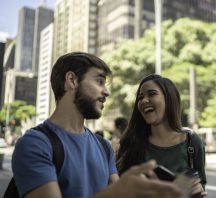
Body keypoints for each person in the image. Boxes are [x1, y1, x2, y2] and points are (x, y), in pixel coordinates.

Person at [11, 52, 186, 198]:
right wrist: (117, 191)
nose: (106, 92)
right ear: (72, 80)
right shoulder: (34, 144)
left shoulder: (104, 147)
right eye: (99, 81)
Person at [116, 74, 207, 197]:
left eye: (152, 94)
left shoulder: (192, 141)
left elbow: (201, 188)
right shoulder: (131, 142)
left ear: (169, 99)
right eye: (140, 97)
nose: (143, 101)